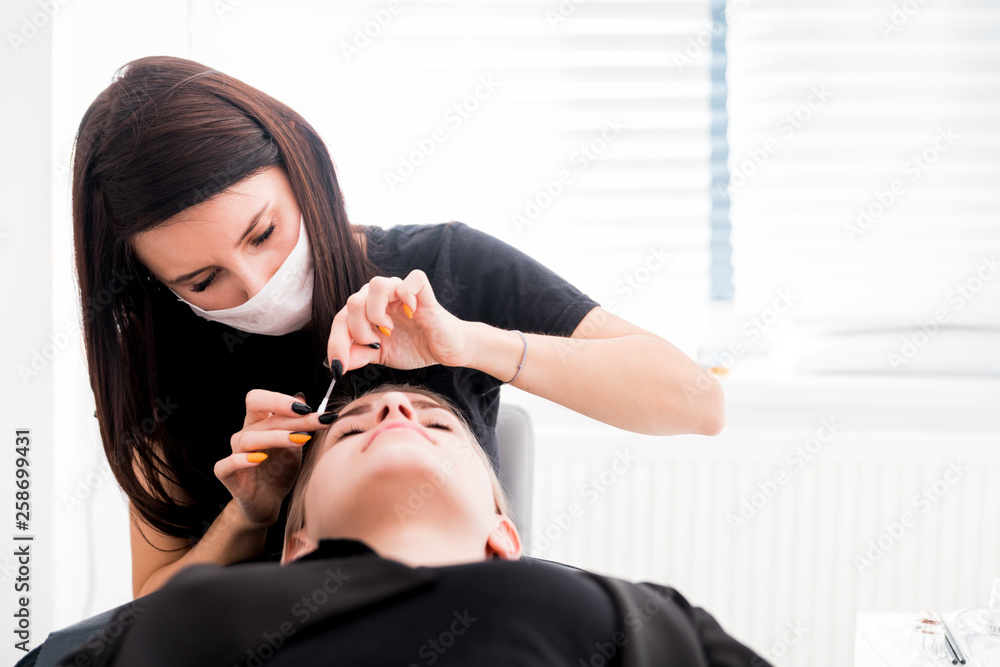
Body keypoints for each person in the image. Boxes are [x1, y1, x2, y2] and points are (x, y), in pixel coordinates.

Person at [71, 55, 726, 599]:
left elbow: (697, 402)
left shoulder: (442, 268)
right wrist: (248, 515)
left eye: (264, 232)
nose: (255, 281)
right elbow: (149, 619)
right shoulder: (163, 370)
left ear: (303, 168)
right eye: (203, 281)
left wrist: (469, 342)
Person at [56, 387, 767, 667]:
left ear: (504, 534)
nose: (395, 409)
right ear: (294, 545)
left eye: (436, 422)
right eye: (353, 425)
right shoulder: (193, 609)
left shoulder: (631, 613)